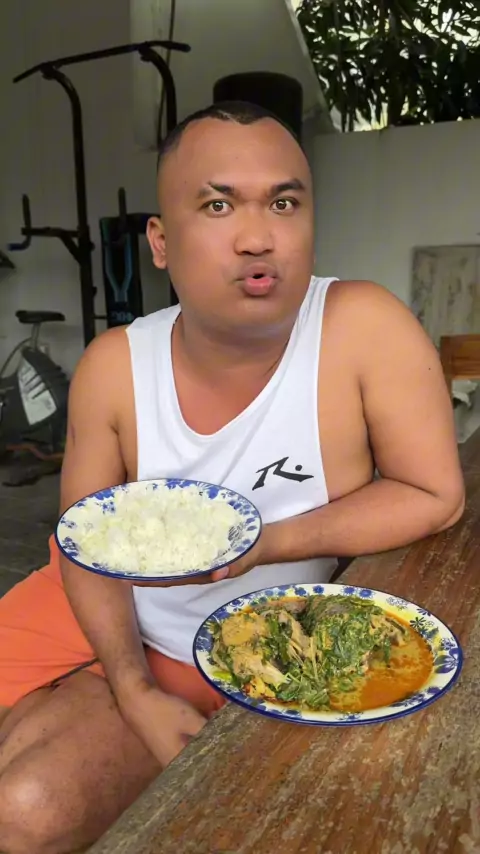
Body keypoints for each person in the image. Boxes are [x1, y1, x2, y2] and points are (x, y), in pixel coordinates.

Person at [0, 100, 464, 854]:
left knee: (25, 812)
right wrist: (130, 691)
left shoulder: (362, 326)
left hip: (217, 643)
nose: (258, 237)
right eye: (218, 205)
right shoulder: (114, 366)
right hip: (91, 599)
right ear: (160, 241)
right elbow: (83, 548)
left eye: (284, 203)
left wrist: (265, 545)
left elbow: (434, 496)